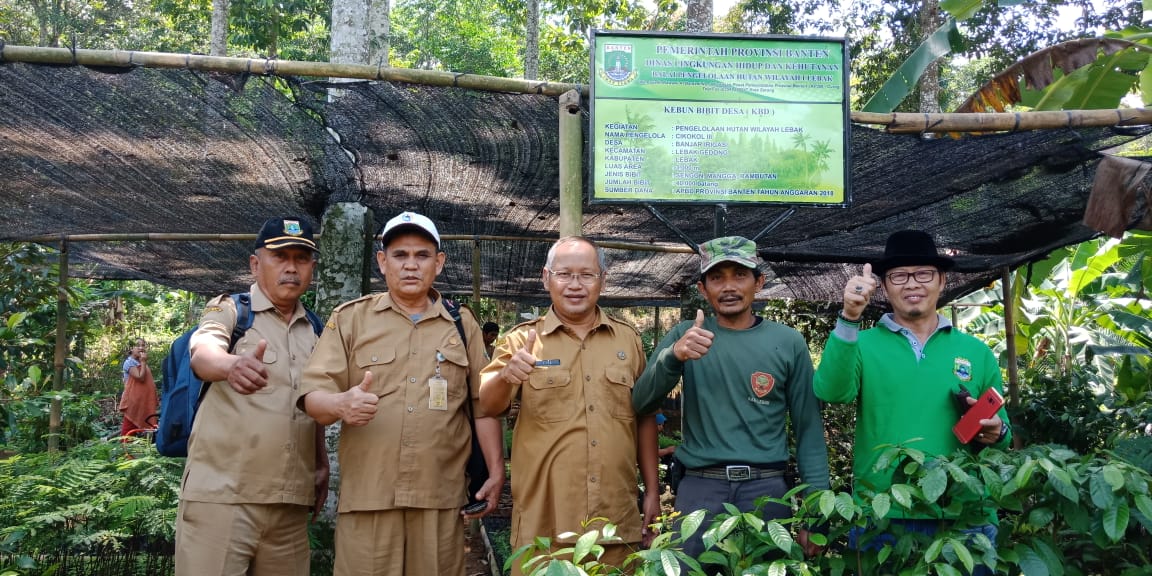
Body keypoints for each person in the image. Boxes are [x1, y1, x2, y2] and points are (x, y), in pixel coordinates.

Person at [299, 211, 504, 576]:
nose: (411, 265)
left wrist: (495, 469)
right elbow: (314, 396)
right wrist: (340, 404)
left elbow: (482, 405)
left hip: (439, 497)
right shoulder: (351, 319)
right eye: (400, 255)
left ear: (438, 263)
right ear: (382, 261)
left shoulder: (462, 325)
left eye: (422, 255)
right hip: (369, 498)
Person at [813, 229, 1011, 572]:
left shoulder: (976, 352)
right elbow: (830, 391)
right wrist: (848, 318)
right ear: (885, 286)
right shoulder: (862, 344)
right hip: (884, 513)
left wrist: (997, 432)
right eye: (899, 276)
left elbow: (1002, 431)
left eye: (923, 274)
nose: (912, 284)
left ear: (941, 281)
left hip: (964, 516)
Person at [632, 236, 830, 559]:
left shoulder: (789, 342)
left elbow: (809, 430)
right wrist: (673, 357)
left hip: (766, 492)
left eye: (739, 275)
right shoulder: (686, 335)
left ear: (759, 282)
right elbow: (640, 403)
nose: (729, 287)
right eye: (717, 277)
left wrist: (816, 515)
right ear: (702, 288)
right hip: (700, 492)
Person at [478, 236, 660, 575]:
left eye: (587, 275)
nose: (575, 285)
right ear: (546, 278)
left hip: (613, 525)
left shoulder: (628, 340)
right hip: (544, 529)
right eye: (564, 274)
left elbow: (644, 416)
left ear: (603, 280)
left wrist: (652, 491)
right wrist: (507, 376)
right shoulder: (520, 340)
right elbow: (488, 406)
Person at [176, 217, 330, 576]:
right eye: (280, 257)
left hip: (289, 506)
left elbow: (310, 403)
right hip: (222, 497)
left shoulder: (317, 330)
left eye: (302, 258)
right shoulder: (230, 310)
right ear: (255, 264)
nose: (291, 267)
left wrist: (320, 463)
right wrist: (231, 365)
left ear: (312, 268)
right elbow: (203, 352)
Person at [118, 337, 157, 438]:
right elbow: (140, 377)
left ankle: (139, 449)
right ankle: (125, 450)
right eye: (137, 345)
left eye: (143, 345)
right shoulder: (129, 362)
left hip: (142, 401)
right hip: (133, 402)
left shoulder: (140, 362)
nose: (141, 348)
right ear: (131, 349)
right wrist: (143, 362)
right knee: (128, 428)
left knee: (146, 423)